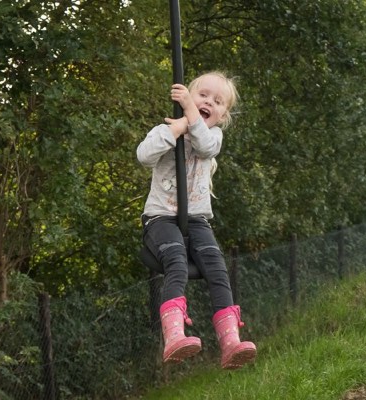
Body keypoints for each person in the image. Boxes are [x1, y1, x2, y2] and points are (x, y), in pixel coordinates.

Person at [137, 71, 256, 369]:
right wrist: (174, 130)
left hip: (197, 220)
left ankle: (229, 343)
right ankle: (174, 335)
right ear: (187, 94)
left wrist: (191, 115)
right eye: (203, 95)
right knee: (175, 259)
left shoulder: (213, 135)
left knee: (217, 268)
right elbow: (144, 155)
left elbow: (204, 146)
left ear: (223, 114)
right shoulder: (168, 129)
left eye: (218, 101)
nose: (208, 102)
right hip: (161, 218)